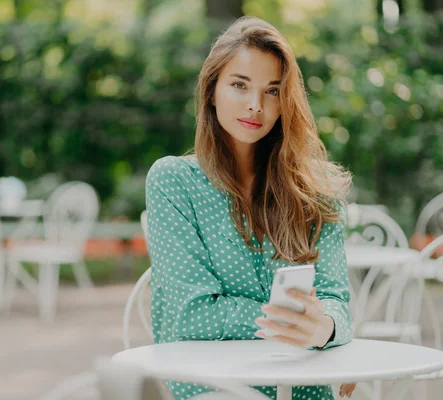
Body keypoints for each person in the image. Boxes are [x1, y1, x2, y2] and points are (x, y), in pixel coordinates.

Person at [145, 16, 356, 400]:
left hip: (303, 386)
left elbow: (336, 302)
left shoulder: (315, 190)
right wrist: (293, 320)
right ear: (212, 91)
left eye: (272, 91)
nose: (255, 105)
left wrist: (324, 328)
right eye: (239, 85)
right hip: (215, 389)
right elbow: (192, 315)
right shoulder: (173, 182)